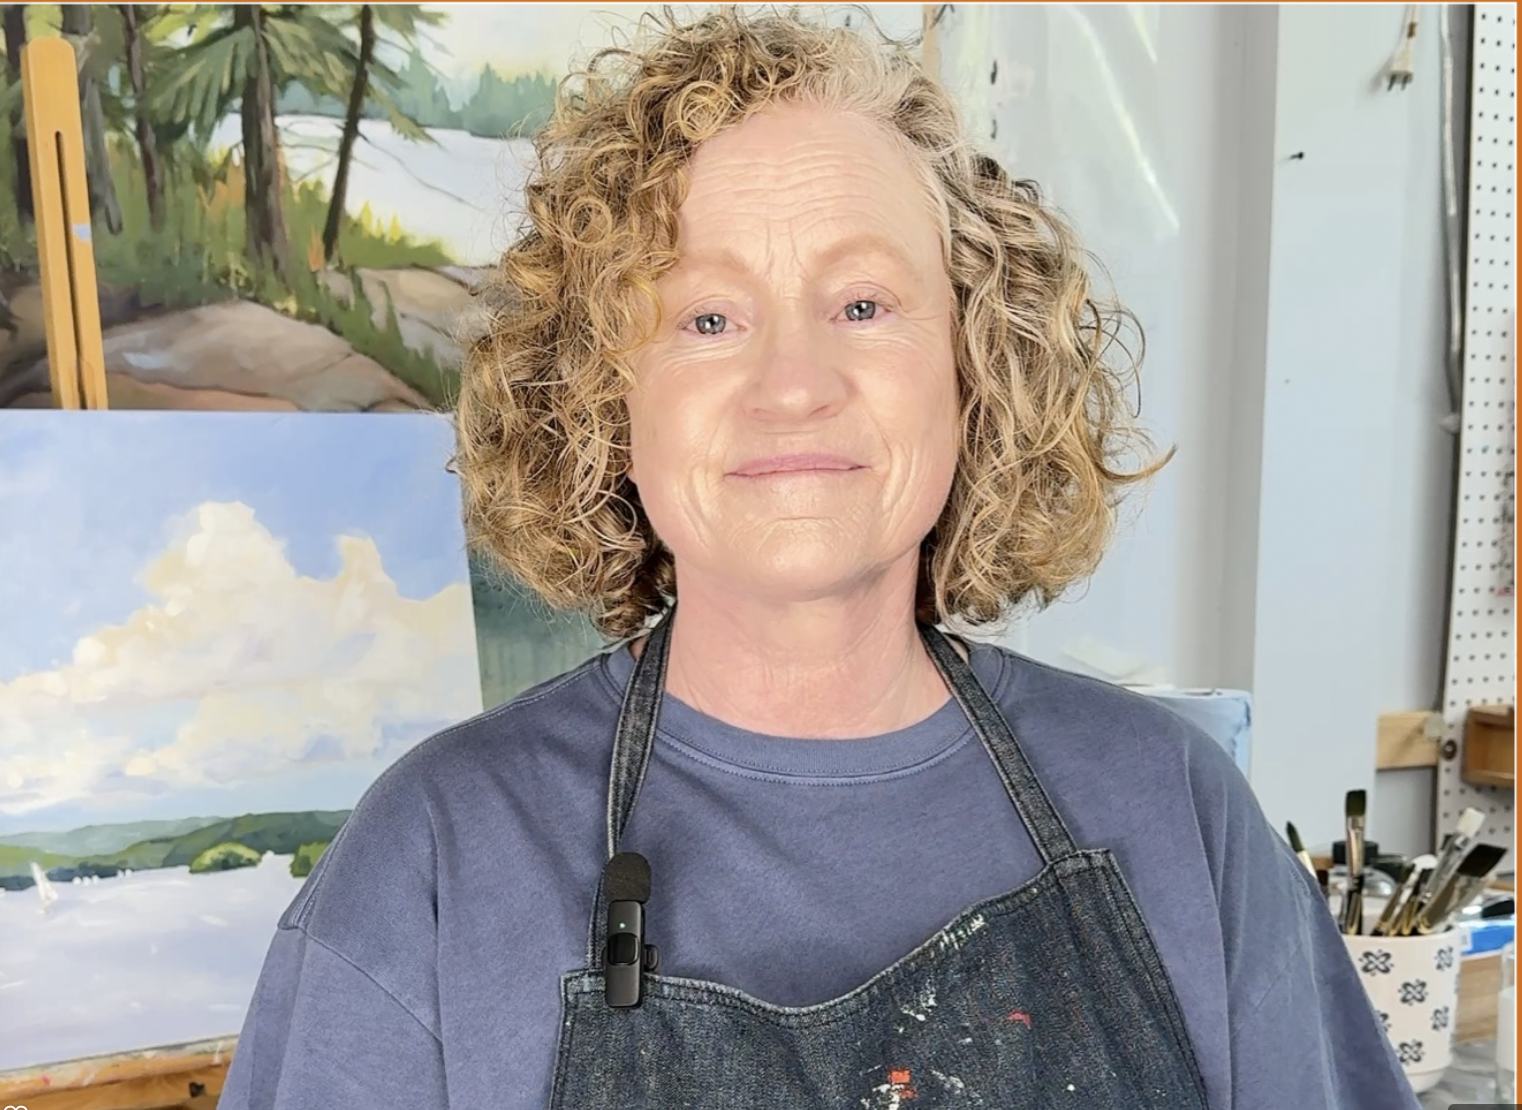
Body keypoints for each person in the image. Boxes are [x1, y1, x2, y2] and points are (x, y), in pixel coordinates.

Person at [220, 9, 1419, 1109]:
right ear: (598, 399)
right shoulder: (434, 864)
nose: (793, 385)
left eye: (861, 305)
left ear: (975, 364)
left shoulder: (1176, 813)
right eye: (707, 319)